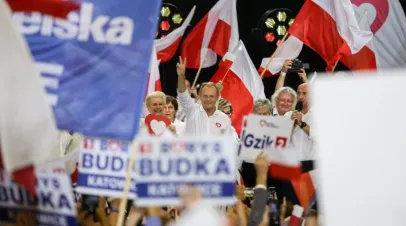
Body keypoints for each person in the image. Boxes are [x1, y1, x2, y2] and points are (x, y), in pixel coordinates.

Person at [176, 57, 238, 138]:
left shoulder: (224, 118)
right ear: (200, 97)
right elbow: (183, 96)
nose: (208, 99)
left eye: (211, 96)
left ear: (217, 97)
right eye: (205, 96)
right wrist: (181, 76)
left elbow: (227, 142)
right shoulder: (192, 110)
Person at [285, 83, 316, 161]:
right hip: (293, 162)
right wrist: (291, 124)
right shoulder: (288, 115)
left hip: (312, 163)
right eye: (298, 93)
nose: (300, 97)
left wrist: (301, 124)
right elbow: (282, 139)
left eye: (304, 93)